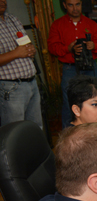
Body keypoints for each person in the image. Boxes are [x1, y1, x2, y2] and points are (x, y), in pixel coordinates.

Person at [48, 0, 97, 129]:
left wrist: (94, 45)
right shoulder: (57, 25)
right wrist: (68, 49)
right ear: (64, 5)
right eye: (70, 5)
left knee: (94, 100)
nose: (75, 8)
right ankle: (68, 137)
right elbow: (52, 48)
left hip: (89, 68)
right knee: (70, 103)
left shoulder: (90, 24)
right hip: (70, 69)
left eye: (78, 4)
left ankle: (93, 133)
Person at [0, 0, 42, 128]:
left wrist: (30, 50)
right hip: (11, 87)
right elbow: (18, 51)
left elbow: (24, 44)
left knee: (36, 128)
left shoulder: (12, 18)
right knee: (15, 132)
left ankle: (35, 149)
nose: (3, 1)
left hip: (31, 82)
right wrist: (16, 53)